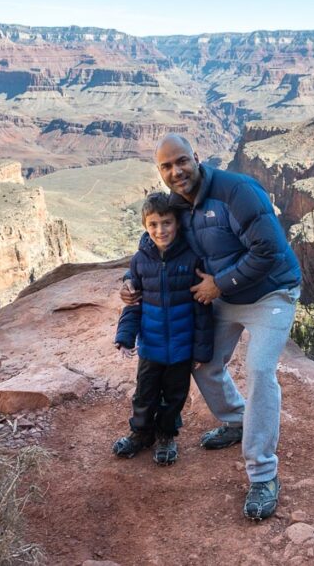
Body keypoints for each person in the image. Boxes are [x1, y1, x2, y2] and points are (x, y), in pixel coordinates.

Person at [123, 134, 302, 520]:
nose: (176, 171)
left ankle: (263, 474)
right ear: (160, 171)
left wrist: (218, 284)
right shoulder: (178, 204)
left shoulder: (237, 191)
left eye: (181, 161)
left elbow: (269, 250)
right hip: (224, 296)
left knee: (258, 370)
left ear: (197, 158)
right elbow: (152, 239)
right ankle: (239, 420)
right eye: (167, 167)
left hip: (272, 293)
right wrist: (130, 279)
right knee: (203, 361)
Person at [113, 192, 213, 465]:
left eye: (166, 222)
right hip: (151, 346)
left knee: (174, 396)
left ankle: (167, 436)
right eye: (153, 224)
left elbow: (202, 308)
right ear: (145, 226)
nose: (161, 230)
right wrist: (125, 337)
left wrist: (201, 351)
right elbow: (134, 303)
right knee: (144, 394)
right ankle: (141, 433)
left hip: (181, 348)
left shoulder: (192, 258)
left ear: (177, 223)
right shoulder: (140, 261)